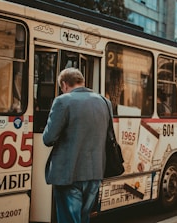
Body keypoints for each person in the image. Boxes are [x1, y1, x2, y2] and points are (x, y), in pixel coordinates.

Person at [43, 67, 112, 223]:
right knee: (83, 218)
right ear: (82, 82)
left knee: (69, 219)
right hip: (95, 173)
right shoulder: (104, 102)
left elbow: (48, 138)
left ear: (65, 85)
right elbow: (108, 136)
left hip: (69, 173)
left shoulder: (62, 101)